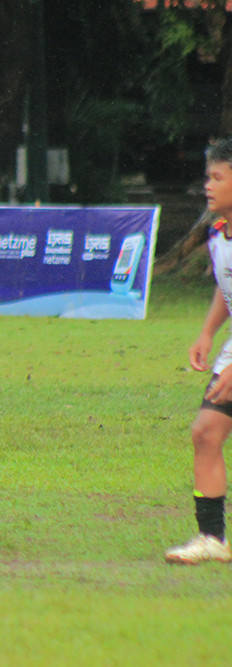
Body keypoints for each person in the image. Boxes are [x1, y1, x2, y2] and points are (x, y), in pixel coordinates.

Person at [166, 137, 232, 564]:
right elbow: (227, 290)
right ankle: (212, 539)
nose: (208, 186)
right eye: (207, 177)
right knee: (205, 432)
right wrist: (208, 332)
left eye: (218, 177)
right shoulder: (218, 233)